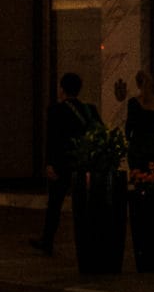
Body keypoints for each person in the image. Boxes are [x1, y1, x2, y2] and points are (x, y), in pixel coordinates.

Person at [29, 73, 102, 254]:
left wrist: (49, 163)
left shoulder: (56, 110)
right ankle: (87, 240)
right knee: (83, 205)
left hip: (62, 164)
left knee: (54, 204)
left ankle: (47, 240)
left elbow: (52, 139)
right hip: (83, 163)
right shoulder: (89, 110)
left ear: (62, 89)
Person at [123, 71, 154, 171]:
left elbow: (128, 127)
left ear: (138, 84)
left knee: (138, 178)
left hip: (138, 147)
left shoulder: (133, 103)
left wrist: (129, 143)